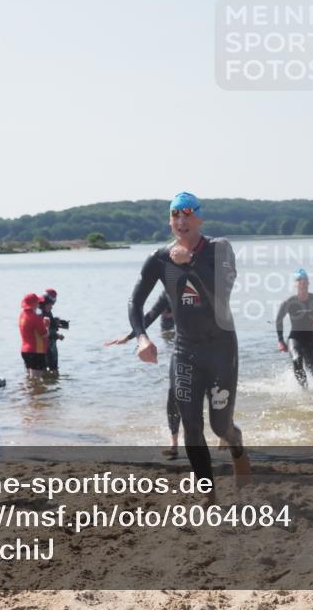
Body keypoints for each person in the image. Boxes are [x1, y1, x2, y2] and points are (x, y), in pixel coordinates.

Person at [128, 192, 250, 494]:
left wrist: (192, 261)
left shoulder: (219, 249)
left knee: (220, 426)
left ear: (199, 218)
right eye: (174, 215)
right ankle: (208, 494)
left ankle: (237, 446)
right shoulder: (159, 258)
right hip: (185, 351)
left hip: (221, 348)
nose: (180, 221)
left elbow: (221, 291)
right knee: (191, 427)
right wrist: (142, 337)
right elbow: (135, 301)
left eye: (186, 215)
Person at [105, 293, 182, 458]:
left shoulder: (206, 281)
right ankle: (174, 443)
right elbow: (150, 315)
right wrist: (131, 336)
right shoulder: (169, 291)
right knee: (173, 395)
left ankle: (224, 433)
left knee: (211, 397)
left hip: (208, 348)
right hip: (182, 349)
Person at [275, 268, 313, 387]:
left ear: (308, 283)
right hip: (295, 338)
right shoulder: (289, 302)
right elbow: (278, 320)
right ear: (295, 284)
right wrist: (280, 340)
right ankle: (304, 390)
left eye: (304, 280)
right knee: (296, 359)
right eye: (299, 280)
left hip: (312, 340)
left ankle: (312, 394)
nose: (302, 282)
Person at [19, 292, 49, 378]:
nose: (39, 303)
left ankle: (28, 391)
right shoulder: (35, 318)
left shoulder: (22, 315)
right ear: (34, 304)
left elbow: (31, 330)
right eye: (38, 302)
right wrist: (46, 325)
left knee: (29, 378)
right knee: (37, 380)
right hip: (36, 351)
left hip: (25, 351)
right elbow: (44, 335)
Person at [40, 290, 68, 374]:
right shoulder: (41, 312)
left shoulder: (46, 310)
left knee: (52, 369)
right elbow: (43, 330)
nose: (52, 306)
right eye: (51, 304)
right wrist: (57, 335)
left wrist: (56, 322)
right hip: (45, 345)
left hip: (50, 344)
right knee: (50, 369)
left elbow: (49, 324)